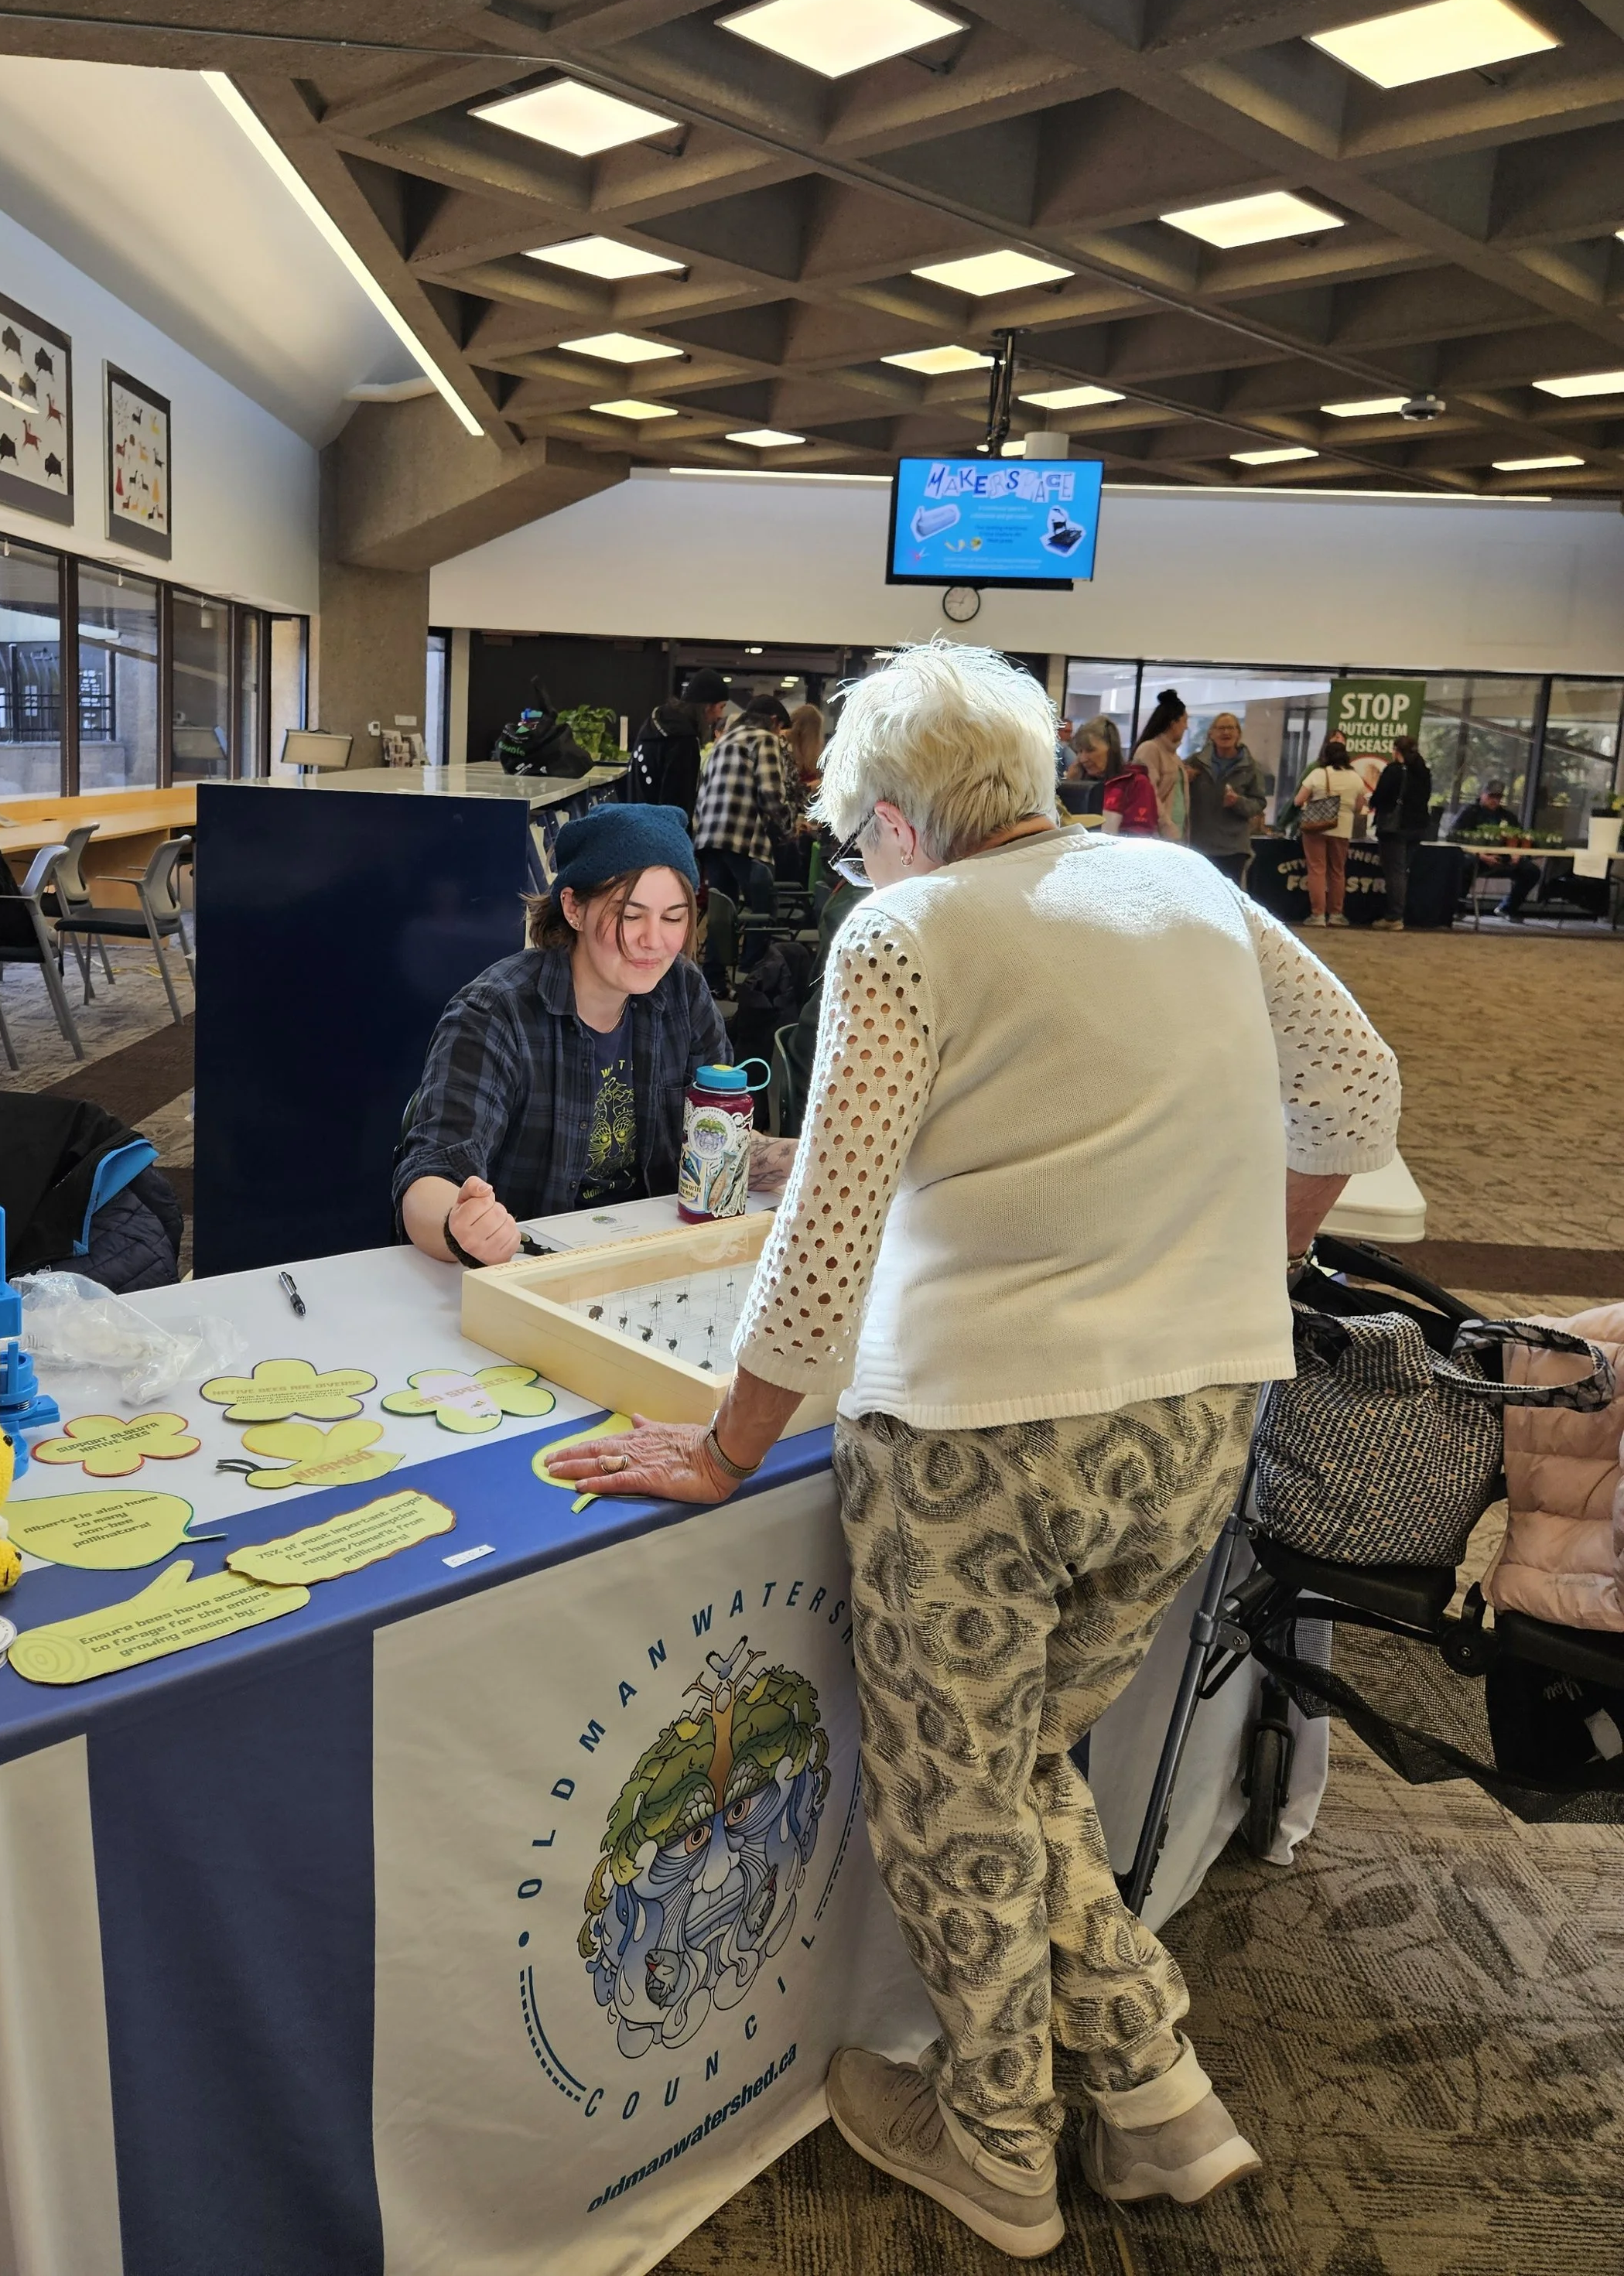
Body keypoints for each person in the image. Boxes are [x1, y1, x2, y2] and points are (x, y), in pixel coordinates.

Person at [546, 642, 1399, 2257]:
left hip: (981, 1437)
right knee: (1019, 1766)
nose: (852, 856)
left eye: (850, 830)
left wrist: (727, 1449)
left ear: (891, 816)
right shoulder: (1181, 884)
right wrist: (1235, 1266)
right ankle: (1153, 2094)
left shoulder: (905, 925)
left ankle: (998, 2142)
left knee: (951, 1794)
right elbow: (1355, 1096)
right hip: (1196, 1415)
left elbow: (825, 1232)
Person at [394, 802, 790, 1265]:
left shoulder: (683, 994)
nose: (654, 941)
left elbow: (720, 1138)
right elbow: (429, 1174)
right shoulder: (495, 1012)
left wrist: (815, 1158)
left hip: (653, 1260)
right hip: (527, 1271)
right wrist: (459, 1226)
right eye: (629, 915)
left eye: (673, 917)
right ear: (573, 908)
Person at [693, 694, 797, 917]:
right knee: (764, 911)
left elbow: (702, 791)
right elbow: (771, 794)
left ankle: (719, 953)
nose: (780, 735)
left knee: (722, 913)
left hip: (709, 838)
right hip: (743, 838)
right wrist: (789, 828)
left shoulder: (724, 741)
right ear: (773, 720)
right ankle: (756, 954)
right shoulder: (765, 739)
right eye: (780, 729)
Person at [1293, 734, 1373, 928]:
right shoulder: (1355, 778)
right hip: (1343, 829)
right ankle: (1336, 914)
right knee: (1338, 872)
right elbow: (1359, 806)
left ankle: (1318, 915)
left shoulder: (1318, 774)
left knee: (1317, 870)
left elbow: (1298, 801)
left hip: (1316, 828)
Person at [624, 669, 729, 818]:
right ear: (707, 706)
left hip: (637, 823)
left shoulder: (652, 726)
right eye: (721, 707)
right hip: (664, 835)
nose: (720, 716)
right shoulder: (684, 740)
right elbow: (677, 804)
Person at [1186, 711, 1269, 887]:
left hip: (1233, 849)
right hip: (1200, 846)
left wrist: (1238, 802)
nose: (1226, 733)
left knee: (1228, 901)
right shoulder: (1195, 763)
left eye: (1231, 728)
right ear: (1211, 733)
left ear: (1239, 733)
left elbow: (1259, 802)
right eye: (1221, 728)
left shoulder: (1250, 767)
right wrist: (1184, 779)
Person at [1368, 733, 1434, 929]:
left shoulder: (1394, 771)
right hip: (1418, 827)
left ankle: (1394, 916)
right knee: (1403, 870)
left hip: (1395, 828)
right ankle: (1400, 913)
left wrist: (1372, 802)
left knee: (1395, 872)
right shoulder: (1423, 772)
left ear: (1396, 750)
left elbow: (1380, 797)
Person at [1451, 778, 1539, 920]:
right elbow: (1455, 837)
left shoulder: (1507, 816)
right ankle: (1457, 908)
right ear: (1483, 794)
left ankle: (1507, 908)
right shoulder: (1469, 812)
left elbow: (1520, 836)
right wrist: (1481, 855)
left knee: (1532, 871)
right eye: (1491, 796)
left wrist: (1517, 853)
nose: (1495, 800)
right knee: (1465, 865)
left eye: (1498, 797)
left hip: (1504, 858)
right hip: (1477, 857)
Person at [1065, 716, 1158, 836]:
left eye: (1090, 750)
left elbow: (1140, 835)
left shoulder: (1136, 783)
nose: (1083, 759)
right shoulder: (1081, 782)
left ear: (1111, 748)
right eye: (1080, 751)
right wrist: (1071, 786)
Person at [1131, 689, 1193, 841]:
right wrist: (1167, 827)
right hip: (1158, 836)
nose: (1186, 727)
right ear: (1173, 723)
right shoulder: (1150, 749)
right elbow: (1149, 794)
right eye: (1185, 721)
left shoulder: (1174, 756)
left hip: (1176, 835)